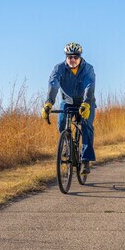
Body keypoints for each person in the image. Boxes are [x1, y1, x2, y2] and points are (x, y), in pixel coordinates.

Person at [41, 42, 96, 174]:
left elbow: (90, 86)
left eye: (75, 57)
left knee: (86, 125)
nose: (72, 60)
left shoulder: (88, 68)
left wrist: (87, 103)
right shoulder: (59, 68)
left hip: (85, 102)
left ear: (80, 57)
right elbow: (53, 84)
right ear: (66, 57)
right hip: (67, 102)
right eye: (69, 57)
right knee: (61, 123)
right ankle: (66, 144)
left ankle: (85, 160)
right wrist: (49, 103)